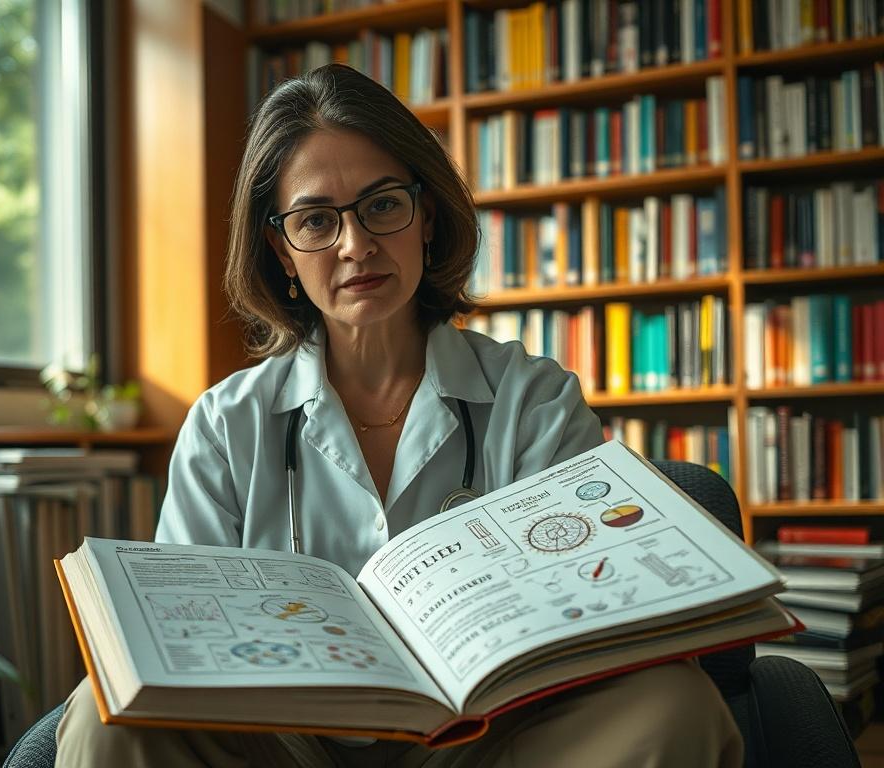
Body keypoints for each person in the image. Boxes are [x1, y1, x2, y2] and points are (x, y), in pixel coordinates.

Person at [56, 63, 742, 767]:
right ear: (281, 251)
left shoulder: (533, 400)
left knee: (673, 705)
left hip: (481, 738)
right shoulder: (225, 426)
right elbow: (182, 647)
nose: (356, 245)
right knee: (101, 720)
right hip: (285, 747)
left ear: (428, 216)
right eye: (316, 220)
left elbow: (590, 617)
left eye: (383, 205)